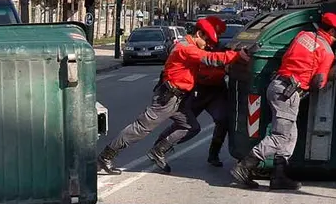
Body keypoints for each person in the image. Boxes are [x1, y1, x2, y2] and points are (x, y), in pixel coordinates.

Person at [96, 16, 250, 175]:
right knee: (141, 128)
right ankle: (105, 157)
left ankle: (158, 151)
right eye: (206, 41)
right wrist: (236, 55)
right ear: (199, 34)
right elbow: (209, 59)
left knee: (191, 126)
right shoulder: (186, 48)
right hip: (167, 97)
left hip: (179, 98)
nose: (208, 45)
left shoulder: (189, 46)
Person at [230, 11, 336, 191]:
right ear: (332, 31)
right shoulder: (327, 52)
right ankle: (245, 167)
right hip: (289, 93)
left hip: (276, 85)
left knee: (291, 136)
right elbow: (319, 82)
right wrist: (331, 75)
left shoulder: (303, 35)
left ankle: (279, 176)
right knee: (281, 136)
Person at [153, 44, 231, 168]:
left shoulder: (221, 49)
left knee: (223, 120)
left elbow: (227, 61)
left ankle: (214, 153)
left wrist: (227, 67)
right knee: (185, 124)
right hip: (196, 91)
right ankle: (159, 146)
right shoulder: (194, 49)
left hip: (216, 92)